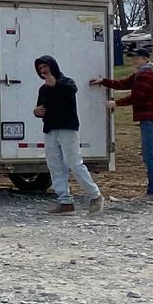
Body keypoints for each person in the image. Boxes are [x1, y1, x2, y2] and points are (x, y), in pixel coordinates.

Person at [33, 55, 103, 215]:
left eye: (45, 66)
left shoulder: (66, 82)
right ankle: (65, 201)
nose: (43, 70)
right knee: (55, 165)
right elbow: (39, 107)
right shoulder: (43, 89)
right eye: (40, 68)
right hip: (50, 129)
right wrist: (36, 112)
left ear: (53, 66)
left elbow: (71, 91)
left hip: (67, 128)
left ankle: (95, 195)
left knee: (74, 163)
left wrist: (56, 84)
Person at [91, 60, 153, 199]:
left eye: (137, 57)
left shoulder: (146, 76)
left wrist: (116, 103)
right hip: (151, 118)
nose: (134, 60)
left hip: (151, 118)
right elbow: (123, 84)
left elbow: (138, 97)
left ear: (145, 59)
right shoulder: (140, 74)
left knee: (149, 155)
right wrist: (104, 81)